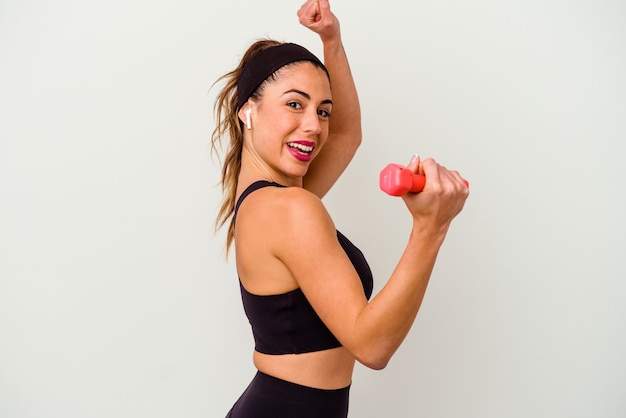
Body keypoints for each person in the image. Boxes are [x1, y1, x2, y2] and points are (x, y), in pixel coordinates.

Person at [210, 1, 469, 416]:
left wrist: (331, 40)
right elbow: (371, 346)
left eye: (322, 110)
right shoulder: (291, 207)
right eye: (295, 104)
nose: (314, 125)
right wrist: (430, 227)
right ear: (248, 111)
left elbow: (346, 133)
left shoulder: (264, 200)